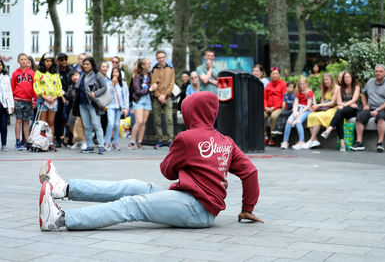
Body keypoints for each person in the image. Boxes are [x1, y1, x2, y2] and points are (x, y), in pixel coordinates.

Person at [38, 91, 263, 231]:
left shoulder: (187, 137)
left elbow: (168, 171)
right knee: (133, 186)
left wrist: (184, 158)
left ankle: (60, 219)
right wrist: (247, 208)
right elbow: (250, 172)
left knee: (132, 205)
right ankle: (64, 189)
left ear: (191, 113)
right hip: (194, 203)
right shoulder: (226, 141)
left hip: (195, 208)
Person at [350, 64, 385, 152]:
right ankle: (359, 143)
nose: (378, 73)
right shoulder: (370, 82)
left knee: (381, 116)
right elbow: (363, 94)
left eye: (380, 71)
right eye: (376, 71)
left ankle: (380, 143)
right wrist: (365, 105)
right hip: (372, 107)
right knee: (360, 117)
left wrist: (378, 109)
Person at [321, 72, 361, 151]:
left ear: (352, 78)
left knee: (340, 111)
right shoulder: (340, 88)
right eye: (345, 78)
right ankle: (342, 144)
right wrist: (346, 104)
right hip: (345, 108)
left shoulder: (356, 87)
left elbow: (354, 99)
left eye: (348, 77)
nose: (346, 79)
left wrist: (344, 105)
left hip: (353, 109)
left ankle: (329, 130)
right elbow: (338, 102)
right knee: (339, 116)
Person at [74, 57, 107, 155]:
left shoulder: (97, 75)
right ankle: (89, 146)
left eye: (87, 64)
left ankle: (101, 146)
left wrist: (95, 93)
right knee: (87, 126)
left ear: (92, 65)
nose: (85, 66)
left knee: (97, 125)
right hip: (82, 104)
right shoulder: (82, 75)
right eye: (84, 64)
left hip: (92, 104)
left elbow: (104, 87)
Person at [33, 52, 63, 152]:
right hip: (43, 99)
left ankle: (50, 142)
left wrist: (54, 97)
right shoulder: (38, 73)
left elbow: (59, 87)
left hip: (53, 100)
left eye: (50, 61)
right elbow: (36, 86)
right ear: (43, 61)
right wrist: (45, 97)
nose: (49, 63)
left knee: (51, 122)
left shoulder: (55, 73)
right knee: (42, 123)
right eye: (47, 61)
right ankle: (41, 143)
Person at [303, 73, 339, 149]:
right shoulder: (324, 88)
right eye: (324, 80)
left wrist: (319, 105)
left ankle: (310, 140)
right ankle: (315, 140)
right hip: (325, 108)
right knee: (311, 115)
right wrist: (317, 107)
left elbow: (332, 103)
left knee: (318, 116)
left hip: (333, 108)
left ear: (331, 80)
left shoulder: (336, 88)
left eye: (327, 79)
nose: (326, 81)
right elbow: (322, 101)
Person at [128, 58, 157, 150]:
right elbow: (137, 91)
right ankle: (132, 142)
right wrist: (149, 89)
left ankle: (140, 142)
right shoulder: (137, 76)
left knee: (144, 122)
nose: (150, 64)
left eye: (150, 63)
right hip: (139, 99)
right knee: (139, 121)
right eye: (148, 63)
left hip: (147, 99)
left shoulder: (149, 75)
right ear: (143, 66)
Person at [11, 53, 37, 151]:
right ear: (18, 61)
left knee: (26, 121)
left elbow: (35, 88)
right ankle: (18, 141)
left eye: (25, 59)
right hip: (18, 100)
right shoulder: (15, 73)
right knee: (18, 120)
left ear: (28, 61)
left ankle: (26, 140)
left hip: (29, 100)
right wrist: (13, 100)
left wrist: (34, 100)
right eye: (21, 59)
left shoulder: (32, 73)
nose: (23, 61)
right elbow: (12, 87)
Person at [280, 77, 314, 150]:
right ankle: (285, 141)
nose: (302, 86)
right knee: (289, 121)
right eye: (300, 84)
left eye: (303, 84)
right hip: (298, 109)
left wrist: (299, 113)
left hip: (306, 110)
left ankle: (301, 141)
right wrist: (295, 112)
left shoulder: (309, 92)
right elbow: (295, 104)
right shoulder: (297, 92)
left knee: (298, 121)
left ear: (306, 84)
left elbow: (308, 106)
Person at [151, 50, 175, 149]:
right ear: (157, 59)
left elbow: (171, 84)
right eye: (159, 58)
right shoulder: (154, 69)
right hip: (157, 98)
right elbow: (152, 84)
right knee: (157, 120)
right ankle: (160, 140)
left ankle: (170, 140)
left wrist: (164, 95)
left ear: (165, 58)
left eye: (162, 57)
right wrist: (158, 96)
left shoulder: (170, 69)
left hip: (167, 97)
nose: (161, 59)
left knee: (169, 119)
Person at [105, 67, 129, 151]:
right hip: (111, 106)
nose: (115, 74)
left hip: (119, 106)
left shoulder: (123, 84)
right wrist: (112, 84)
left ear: (119, 74)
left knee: (116, 124)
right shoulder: (108, 83)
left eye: (117, 72)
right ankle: (107, 142)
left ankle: (115, 142)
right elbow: (108, 93)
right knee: (110, 123)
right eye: (113, 72)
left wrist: (126, 107)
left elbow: (126, 96)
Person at [55, 53, 74, 148]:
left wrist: (68, 95)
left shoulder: (70, 70)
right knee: (58, 118)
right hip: (58, 96)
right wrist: (62, 95)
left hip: (69, 96)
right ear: (58, 61)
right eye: (62, 60)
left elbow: (73, 82)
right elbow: (56, 85)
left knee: (69, 118)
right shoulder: (56, 71)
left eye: (65, 59)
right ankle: (58, 138)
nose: (64, 62)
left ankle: (70, 138)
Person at [264, 67, 286, 146]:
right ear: (270, 75)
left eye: (276, 73)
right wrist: (266, 107)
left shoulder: (283, 84)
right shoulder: (268, 85)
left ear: (279, 74)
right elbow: (265, 98)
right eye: (273, 73)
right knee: (262, 116)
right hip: (268, 108)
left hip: (278, 108)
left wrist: (274, 107)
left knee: (273, 116)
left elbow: (284, 98)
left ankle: (273, 137)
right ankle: (265, 136)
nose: (274, 75)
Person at [0, 59, 14, 151]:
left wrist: (11, 105)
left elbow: (9, 92)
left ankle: (4, 144)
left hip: (3, 105)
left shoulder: (5, 77)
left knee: (3, 125)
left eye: (0, 65)